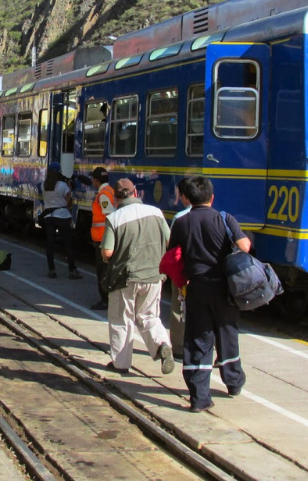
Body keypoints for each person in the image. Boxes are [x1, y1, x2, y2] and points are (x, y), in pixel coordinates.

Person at [167, 175, 249, 413]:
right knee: (227, 334)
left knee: (198, 339)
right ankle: (233, 383)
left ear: (188, 198)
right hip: (224, 287)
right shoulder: (225, 219)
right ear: (212, 198)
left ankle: (200, 398)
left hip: (197, 286)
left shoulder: (183, 222)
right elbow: (244, 247)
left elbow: (173, 254)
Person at [100, 178, 174, 376]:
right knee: (149, 316)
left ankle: (121, 364)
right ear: (135, 194)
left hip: (125, 277)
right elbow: (169, 241)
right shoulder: (156, 213)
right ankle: (162, 346)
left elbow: (107, 252)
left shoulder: (115, 218)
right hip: (154, 276)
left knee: (121, 319)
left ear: (115, 199)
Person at [41, 162, 83, 279]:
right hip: (62, 217)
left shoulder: (44, 185)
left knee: (50, 245)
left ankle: (52, 270)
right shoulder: (62, 186)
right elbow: (68, 203)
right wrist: (69, 190)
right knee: (68, 244)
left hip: (48, 217)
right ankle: (72, 271)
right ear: (58, 172)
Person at [166, 178, 193, 358]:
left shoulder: (180, 218)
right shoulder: (219, 216)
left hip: (184, 272)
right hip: (207, 274)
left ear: (184, 196)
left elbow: (171, 246)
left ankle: (179, 348)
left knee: (180, 309)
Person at [89, 167, 116, 309]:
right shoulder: (110, 191)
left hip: (102, 238)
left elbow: (109, 215)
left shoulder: (104, 195)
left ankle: (105, 299)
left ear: (96, 180)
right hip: (104, 237)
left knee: (102, 271)